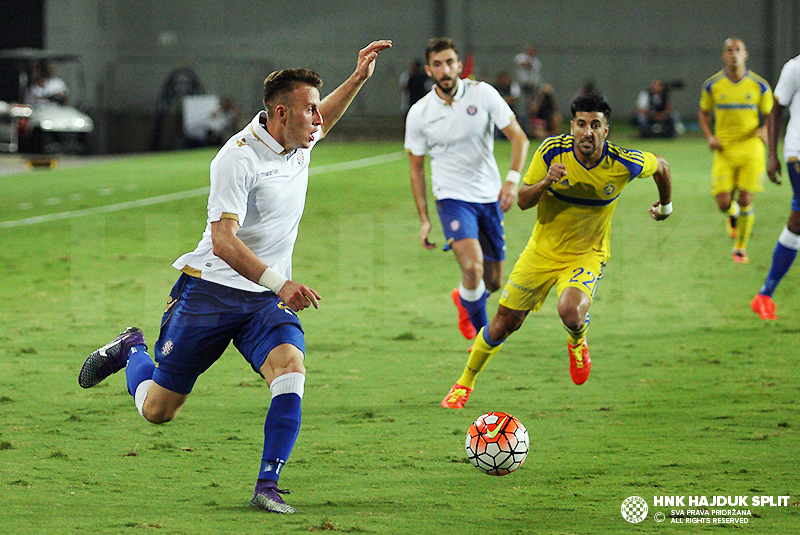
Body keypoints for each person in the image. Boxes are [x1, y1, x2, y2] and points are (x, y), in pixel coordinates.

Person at [77, 40, 392, 514]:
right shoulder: (237, 157)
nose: (318, 118)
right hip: (210, 293)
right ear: (281, 113)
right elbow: (223, 241)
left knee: (290, 370)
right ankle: (132, 348)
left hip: (263, 302)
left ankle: (268, 485)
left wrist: (358, 79)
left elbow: (324, 114)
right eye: (309, 110)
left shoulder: (298, 138)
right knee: (158, 411)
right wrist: (280, 283)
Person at [441, 92, 673, 409]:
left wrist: (666, 205)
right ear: (572, 126)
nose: (587, 131)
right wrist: (546, 182)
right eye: (580, 124)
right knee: (503, 323)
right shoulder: (552, 151)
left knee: (571, 311)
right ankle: (464, 383)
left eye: (595, 125)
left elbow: (661, 166)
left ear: (606, 130)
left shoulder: (623, 163)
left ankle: (577, 341)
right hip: (541, 252)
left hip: (586, 254)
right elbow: (522, 201)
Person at [405, 38, 529, 342]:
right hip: (451, 199)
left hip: (489, 198)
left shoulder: (483, 94)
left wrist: (512, 180)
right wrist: (424, 217)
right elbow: (416, 168)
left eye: (450, 63)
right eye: (437, 64)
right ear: (429, 70)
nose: (445, 70)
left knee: (494, 281)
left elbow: (519, 138)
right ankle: (484, 339)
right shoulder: (420, 113)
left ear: (460, 66)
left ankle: (463, 298)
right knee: (472, 267)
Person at [699, 38, 773, 264]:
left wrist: (765, 130)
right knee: (723, 202)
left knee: (746, 198)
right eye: (729, 51)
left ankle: (740, 248)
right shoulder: (712, 85)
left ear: (746, 55)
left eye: (738, 50)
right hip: (725, 149)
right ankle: (732, 215)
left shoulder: (759, 86)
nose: (734, 55)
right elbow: (703, 113)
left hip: (751, 148)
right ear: (724, 56)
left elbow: (772, 114)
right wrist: (710, 136)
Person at [751, 53, 800, 320]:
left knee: (797, 223)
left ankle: (765, 294)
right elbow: (775, 110)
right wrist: (772, 155)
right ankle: (765, 294)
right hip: (798, 153)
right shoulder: (795, 67)